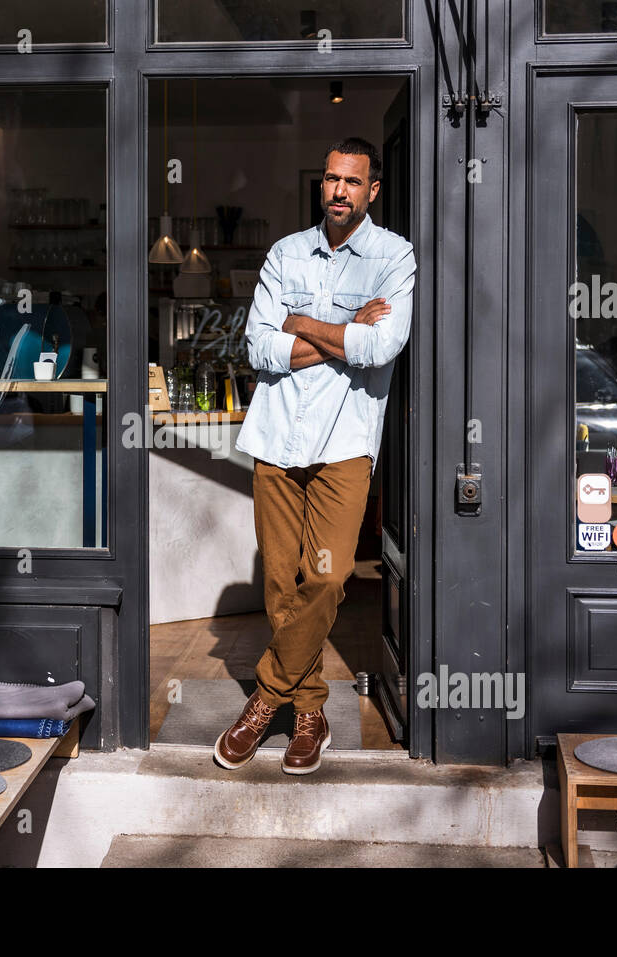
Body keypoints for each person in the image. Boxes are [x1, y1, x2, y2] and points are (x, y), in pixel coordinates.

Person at [215, 136, 415, 775]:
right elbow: (261, 351)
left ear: (372, 190)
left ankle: (264, 697)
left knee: (327, 578)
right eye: (331, 179)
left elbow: (379, 349)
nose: (337, 191)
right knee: (280, 584)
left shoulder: (393, 257)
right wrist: (343, 327)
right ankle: (309, 711)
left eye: (351, 182)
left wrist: (302, 323)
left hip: (346, 442)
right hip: (276, 438)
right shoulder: (285, 253)